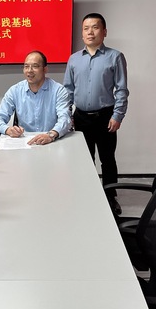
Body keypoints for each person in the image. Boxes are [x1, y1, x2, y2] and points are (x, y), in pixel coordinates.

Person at [63, 13, 129, 215]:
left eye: (95, 27)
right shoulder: (74, 59)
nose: (90, 32)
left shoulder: (115, 57)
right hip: (80, 117)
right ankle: (87, 194)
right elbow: (68, 90)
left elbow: (122, 90)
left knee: (108, 160)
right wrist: (67, 115)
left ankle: (110, 198)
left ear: (104, 31)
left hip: (105, 117)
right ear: (82, 33)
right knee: (85, 159)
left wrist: (117, 116)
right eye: (86, 28)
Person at [0, 50, 71, 145]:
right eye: (26, 66)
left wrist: (51, 135)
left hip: (52, 141)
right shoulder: (15, 90)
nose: (29, 70)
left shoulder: (58, 91)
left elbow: (65, 119)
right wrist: (8, 130)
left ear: (45, 69)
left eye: (35, 66)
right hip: (25, 143)